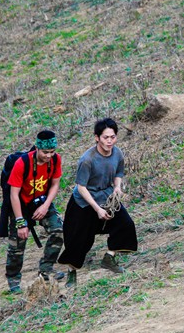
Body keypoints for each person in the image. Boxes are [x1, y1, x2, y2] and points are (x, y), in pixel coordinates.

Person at [58, 118, 138, 287]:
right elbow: (81, 187)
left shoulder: (117, 153)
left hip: (106, 197)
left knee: (125, 224)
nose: (110, 141)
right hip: (84, 202)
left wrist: (117, 187)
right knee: (79, 240)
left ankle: (109, 258)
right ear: (97, 138)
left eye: (113, 137)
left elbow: (119, 173)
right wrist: (97, 209)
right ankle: (72, 272)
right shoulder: (87, 159)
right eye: (105, 137)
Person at [5, 130, 64, 293]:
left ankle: (46, 269)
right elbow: (13, 194)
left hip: (42, 201)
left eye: (52, 152)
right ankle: (13, 278)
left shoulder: (55, 160)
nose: (48, 156)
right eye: (45, 152)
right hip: (21, 205)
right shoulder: (22, 163)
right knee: (18, 242)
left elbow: (55, 185)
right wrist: (20, 221)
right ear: (37, 148)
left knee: (59, 230)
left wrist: (46, 206)